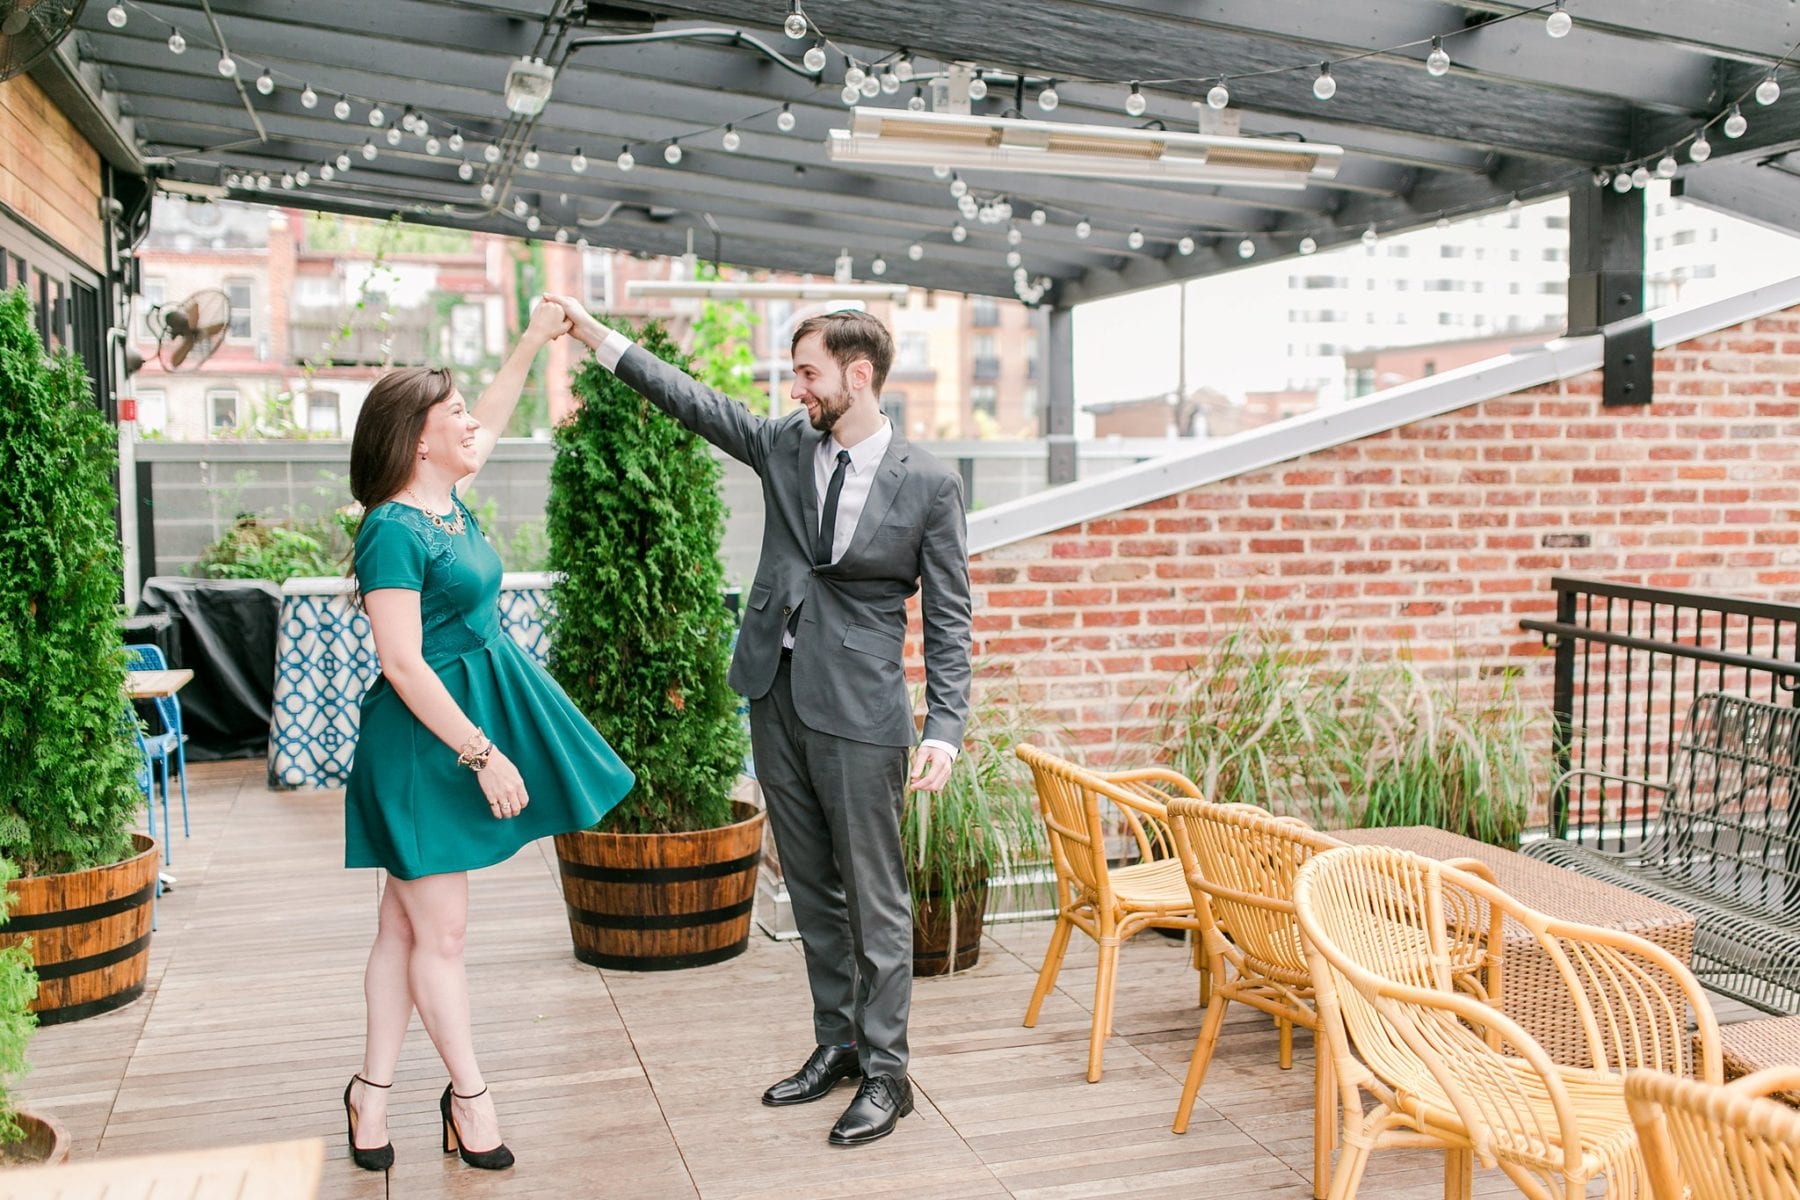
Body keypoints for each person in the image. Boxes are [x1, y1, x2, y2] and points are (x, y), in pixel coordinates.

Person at [545, 293, 973, 1146]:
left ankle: (889, 1078)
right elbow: (694, 401)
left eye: (808, 373)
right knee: (811, 888)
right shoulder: (785, 442)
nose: (796, 388)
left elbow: (951, 619)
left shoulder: (929, 482)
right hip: (774, 694)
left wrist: (945, 730)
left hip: (862, 713)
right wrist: (596, 338)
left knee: (876, 902)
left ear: (859, 375)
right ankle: (838, 1044)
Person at [339, 300, 635, 1175]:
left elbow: (495, 420)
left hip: (454, 732)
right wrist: (482, 751)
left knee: (404, 929)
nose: (474, 423)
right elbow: (400, 661)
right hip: (424, 748)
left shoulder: (445, 502)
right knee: (444, 934)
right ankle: (469, 1096)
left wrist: (535, 340)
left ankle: (371, 1095)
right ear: (418, 442)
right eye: (454, 416)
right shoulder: (393, 528)